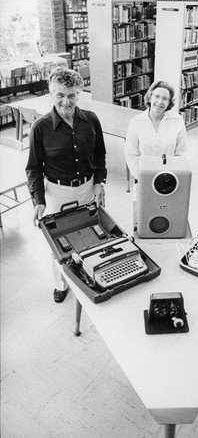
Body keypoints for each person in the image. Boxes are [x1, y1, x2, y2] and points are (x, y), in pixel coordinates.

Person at [26, 67, 107, 303]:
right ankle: (61, 284)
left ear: (79, 93)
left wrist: (100, 182)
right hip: (57, 193)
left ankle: (88, 276)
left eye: (71, 95)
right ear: (51, 94)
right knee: (59, 245)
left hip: (87, 188)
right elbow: (33, 168)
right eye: (60, 95)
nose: (66, 101)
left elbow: (100, 154)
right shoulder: (40, 128)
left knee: (89, 236)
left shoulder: (91, 120)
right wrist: (38, 201)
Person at [124, 80, 187, 179]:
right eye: (156, 96)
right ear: (150, 97)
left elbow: (181, 154)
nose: (160, 102)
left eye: (165, 98)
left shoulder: (177, 121)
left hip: (168, 177)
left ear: (169, 102)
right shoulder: (136, 122)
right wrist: (141, 176)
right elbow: (131, 154)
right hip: (143, 177)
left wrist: (171, 175)